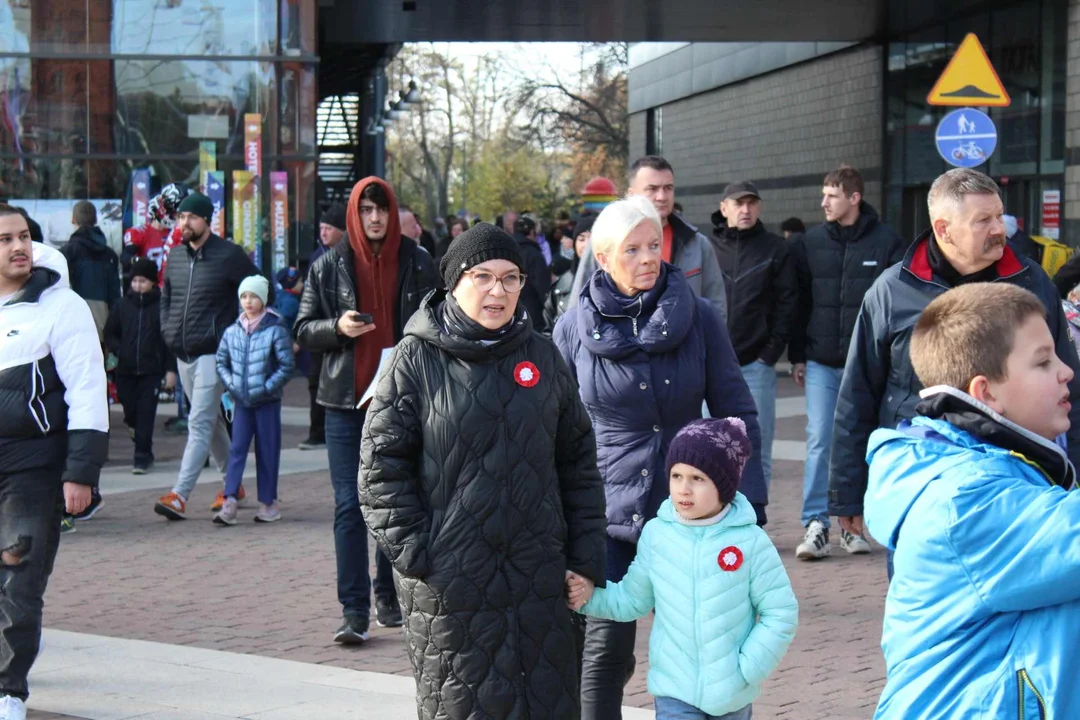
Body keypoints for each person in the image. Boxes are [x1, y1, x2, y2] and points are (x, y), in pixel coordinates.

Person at [359, 222, 607, 720]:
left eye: (511, 278)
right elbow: (379, 470)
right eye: (483, 277)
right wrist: (421, 555)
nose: (498, 290)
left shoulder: (542, 354)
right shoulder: (415, 358)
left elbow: (578, 460)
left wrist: (584, 559)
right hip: (452, 588)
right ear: (454, 282)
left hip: (540, 579)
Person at [554, 195, 766, 719]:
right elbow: (548, 429)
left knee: (708, 646)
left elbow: (737, 414)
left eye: (654, 245)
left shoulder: (701, 318)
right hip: (605, 512)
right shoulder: (571, 329)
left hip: (690, 512)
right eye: (633, 249)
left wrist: (751, 505)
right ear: (602, 258)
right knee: (605, 650)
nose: (648, 257)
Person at [830, 168, 1080, 573]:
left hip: (1020, 481)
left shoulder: (1033, 282)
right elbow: (857, 394)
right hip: (923, 485)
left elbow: (1070, 385)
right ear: (943, 229)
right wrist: (847, 491)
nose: (999, 228)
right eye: (983, 220)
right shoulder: (892, 291)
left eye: (999, 216)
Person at [863, 283, 1080, 718]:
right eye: (1042, 361)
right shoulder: (964, 501)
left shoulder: (1004, 468)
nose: (1066, 371)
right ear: (986, 393)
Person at [567, 417, 798, 720]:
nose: (684, 489)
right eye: (676, 476)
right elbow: (631, 600)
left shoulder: (750, 541)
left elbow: (780, 612)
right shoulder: (657, 535)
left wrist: (749, 668)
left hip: (733, 695)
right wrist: (588, 597)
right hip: (675, 692)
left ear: (724, 486)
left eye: (697, 479)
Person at [294, 176, 436, 643]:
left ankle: (388, 595)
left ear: (392, 213)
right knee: (349, 506)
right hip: (343, 404)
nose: (374, 218)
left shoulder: (418, 262)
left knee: (396, 502)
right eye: (365, 211)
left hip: (401, 400)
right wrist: (336, 327)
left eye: (381, 210)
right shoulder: (329, 265)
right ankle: (353, 611)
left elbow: (440, 322)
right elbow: (303, 329)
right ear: (354, 215)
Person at [0, 211, 108, 720]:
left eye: (23, 237)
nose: (18, 247)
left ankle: (8, 692)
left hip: (34, 467)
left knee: (18, 578)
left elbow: (88, 390)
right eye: (5, 240)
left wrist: (80, 472)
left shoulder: (61, 305)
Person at [788, 165, 904, 561]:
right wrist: (797, 355)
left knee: (863, 442)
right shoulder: (809, 243)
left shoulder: (887, 242)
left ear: (854, 198)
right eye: (823, 194)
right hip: (821, 360)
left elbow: (897, 305)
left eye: (832, 195)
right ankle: (816, 522)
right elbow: (799, 300)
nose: (823, 202)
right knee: (821, 438)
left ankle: (854, 525)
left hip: (868, 365)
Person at [155, 192, 266, 520]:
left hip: (214, 352)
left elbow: (259, 287)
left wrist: (240, 333)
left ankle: (179, 495)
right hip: (183, 351)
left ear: (207, 220)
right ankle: (234, 485)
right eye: (180, 217)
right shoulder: (174, 256)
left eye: (191, 217)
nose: (184, 223)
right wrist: (166, 329)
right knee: (211, 420)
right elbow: (166, 296)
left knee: (199, 422)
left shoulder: (229, 255)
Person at [711, 181, 797, 493]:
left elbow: (788, 303)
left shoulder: (775, 249)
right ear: (724, 208)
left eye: (751, 203)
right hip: (713, 367)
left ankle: (757, 528)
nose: (745, 209)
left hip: (756, 366)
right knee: (713, 453)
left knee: (756, 452)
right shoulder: (709, 249)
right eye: (738, 203)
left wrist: (769, 354)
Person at [570, 156, 727, 321]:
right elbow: (579, 306)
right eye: (652, 189)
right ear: (631, 194)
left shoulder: (697, 244)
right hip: (618, 342)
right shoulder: (606, 240)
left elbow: (717, 308)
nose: (661, 196)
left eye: (668, 188)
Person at [214, 275, 295, 526]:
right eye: (244, 296)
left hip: (267, 402)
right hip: (241, 401)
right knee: (237, 449)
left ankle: (268, 502)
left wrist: (266, 387)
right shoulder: (232, 331)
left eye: (254, 296)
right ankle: (230, 500)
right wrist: (233, 385)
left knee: (267, 450)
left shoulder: (275, 329)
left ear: (264, 299)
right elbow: (221, 362)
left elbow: (286, 365)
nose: (248, 302)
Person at [104, 258, 167, 476]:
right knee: (130, 412)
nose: (138, 285)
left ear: (152, 282)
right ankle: (138, 436)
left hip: (151, 370)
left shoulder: (161, 306)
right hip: (126, 370)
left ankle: (141, 457)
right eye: (135, 281)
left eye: (143, 281)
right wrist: (119, 350)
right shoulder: (122, 305)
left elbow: (167, 340)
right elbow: (110, 333)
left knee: (146, 414)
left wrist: (169, 370)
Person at [299, 204, 347, 451]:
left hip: (343, 333)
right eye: (321, 228)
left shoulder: (348, 258)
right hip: (320, 330)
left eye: (329, 228)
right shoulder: (317, 258)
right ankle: (317, 432)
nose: (324, 233)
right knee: (315, 381)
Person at [62, 200, 121, 342]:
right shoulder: (110, 255)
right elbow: (115, 295)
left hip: (71, 325)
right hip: (103, 325)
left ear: (73, 220)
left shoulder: (67, 252)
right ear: (95, 220)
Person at [545, 214, 594, 329]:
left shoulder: (615, 281)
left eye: (592, 238)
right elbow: (548, 328)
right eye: (581, 239)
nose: (586, 244)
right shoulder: (561, 285)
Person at [513, 215, 552, 333]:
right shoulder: (535, 255)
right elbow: (542, 285)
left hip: (511, 311)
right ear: (531, 233)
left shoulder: (508, 252)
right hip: (533, 314)